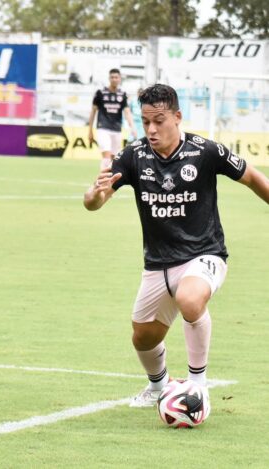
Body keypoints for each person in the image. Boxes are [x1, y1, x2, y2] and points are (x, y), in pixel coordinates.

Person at [84, 84, 268, 411]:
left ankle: (198, 385)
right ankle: (159, 386)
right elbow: (96, 200)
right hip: (158, 264)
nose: (152, 129)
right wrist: (94, 195)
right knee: (143, 337)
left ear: (177, 117)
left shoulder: (205, 151)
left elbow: (252, 176)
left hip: (205, 255)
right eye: (145, 122)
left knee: (189, 299)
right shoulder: (133, 155)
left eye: (159, 120)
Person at [88, 68, 138, 169]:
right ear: (109, 78)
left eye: (116, 77)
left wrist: (133, 128)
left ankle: (110, 182)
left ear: (119, 79)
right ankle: (103, 182)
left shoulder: (122, 95)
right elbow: (93, 112)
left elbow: (127, 112)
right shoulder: (100, 93)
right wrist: (90, 130)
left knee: (114, 159)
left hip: (116, 130)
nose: (114, 79)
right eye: (112, 77)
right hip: (103, 128)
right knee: (106, 156)